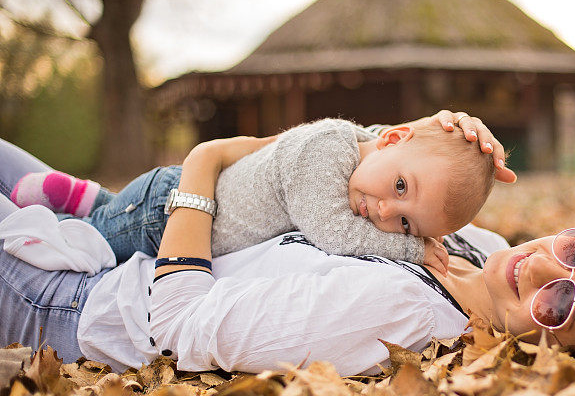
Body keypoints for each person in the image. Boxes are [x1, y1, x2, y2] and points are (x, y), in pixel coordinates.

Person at [0, 112, 575, 375]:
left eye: (561, 300)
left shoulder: (394, 310)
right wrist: (450, 130)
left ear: (551, 349)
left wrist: (206, 163)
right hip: (120, 220)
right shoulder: (478, 247)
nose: (540, 262)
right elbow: (390, 171)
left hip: (73, 292)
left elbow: (178, 330)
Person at [10, 117, 497, 274]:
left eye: (407, 222)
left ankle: (78, 193)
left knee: (111, 209)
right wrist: (414, 247)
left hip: (168, 193)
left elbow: (395, 146)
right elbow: (336, 236)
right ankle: (55, 215)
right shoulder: (323, 156)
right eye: (400, 188)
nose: (385, 212)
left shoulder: (364, 145)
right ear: (393, 139)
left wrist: (440, 130)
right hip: (165, 212)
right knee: (92, 245)